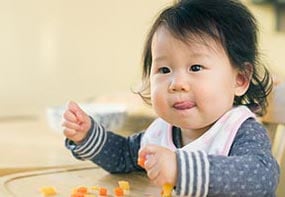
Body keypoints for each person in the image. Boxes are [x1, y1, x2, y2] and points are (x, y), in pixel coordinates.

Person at [62, 0, 280, 196]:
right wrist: (87, 135)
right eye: (164, 70)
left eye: (195, 67)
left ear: (240, 79)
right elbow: (123, 156)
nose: (177, 84)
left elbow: (262, 177)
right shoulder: (162, 132)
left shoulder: (239, 130)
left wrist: (180, 169)